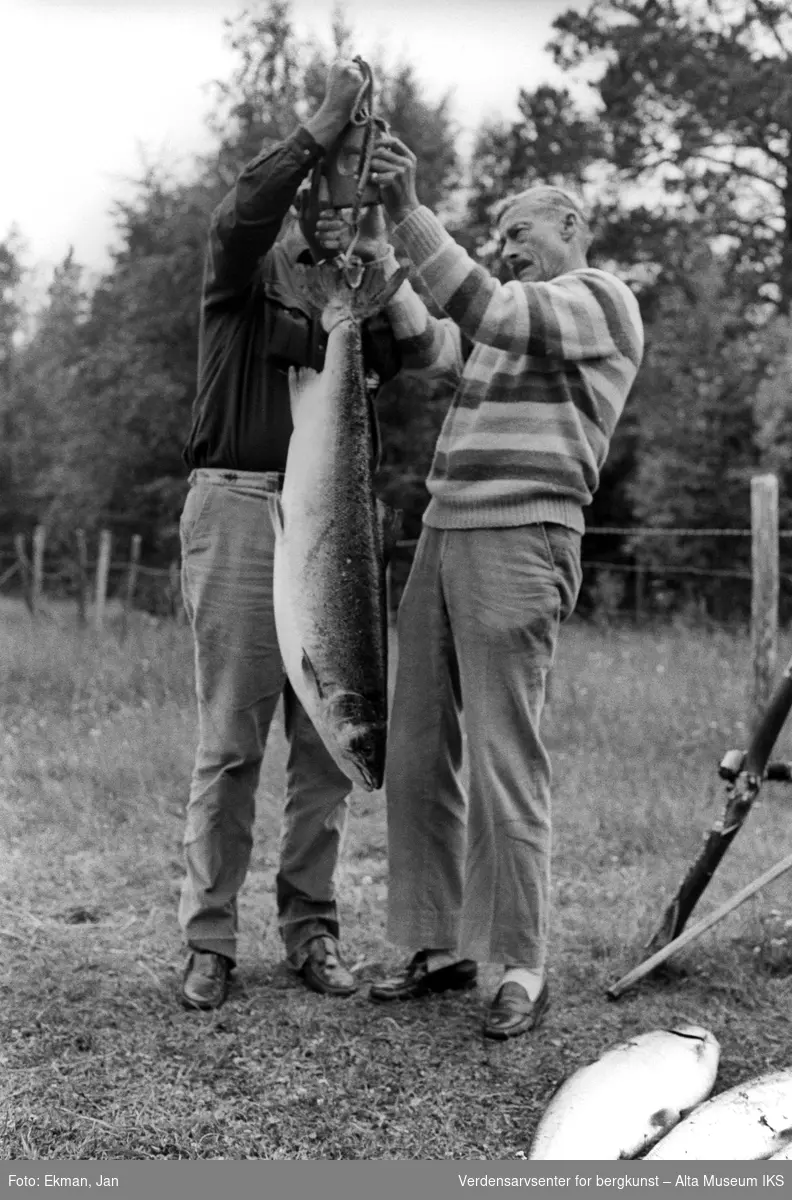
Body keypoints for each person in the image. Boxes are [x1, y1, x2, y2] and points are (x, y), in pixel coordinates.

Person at [361, 136, 645, 1039]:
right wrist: (378, 257)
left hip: (521, 535)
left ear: (571, 225)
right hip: (443, 534)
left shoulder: (600, 300)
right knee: (413, 753)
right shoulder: (505, 318)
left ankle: (521, 960)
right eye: (500, 235)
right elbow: (436, 337)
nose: (509, 243)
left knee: (501, 756)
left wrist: (409, 212)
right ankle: (436, 942)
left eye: (520, 230)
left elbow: (490, 308)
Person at [177, 60, 403, 1011]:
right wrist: (318, 128)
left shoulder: (361, 294)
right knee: (232, 742)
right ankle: (209, 941)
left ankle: (312, 929)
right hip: (236, 508)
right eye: (318, 189)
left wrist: (389, 233)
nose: (330, 205)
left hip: (337, 527)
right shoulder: (240, 273)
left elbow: (413, 362)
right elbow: (242, 212)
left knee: (328, 740)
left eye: (346, 190)